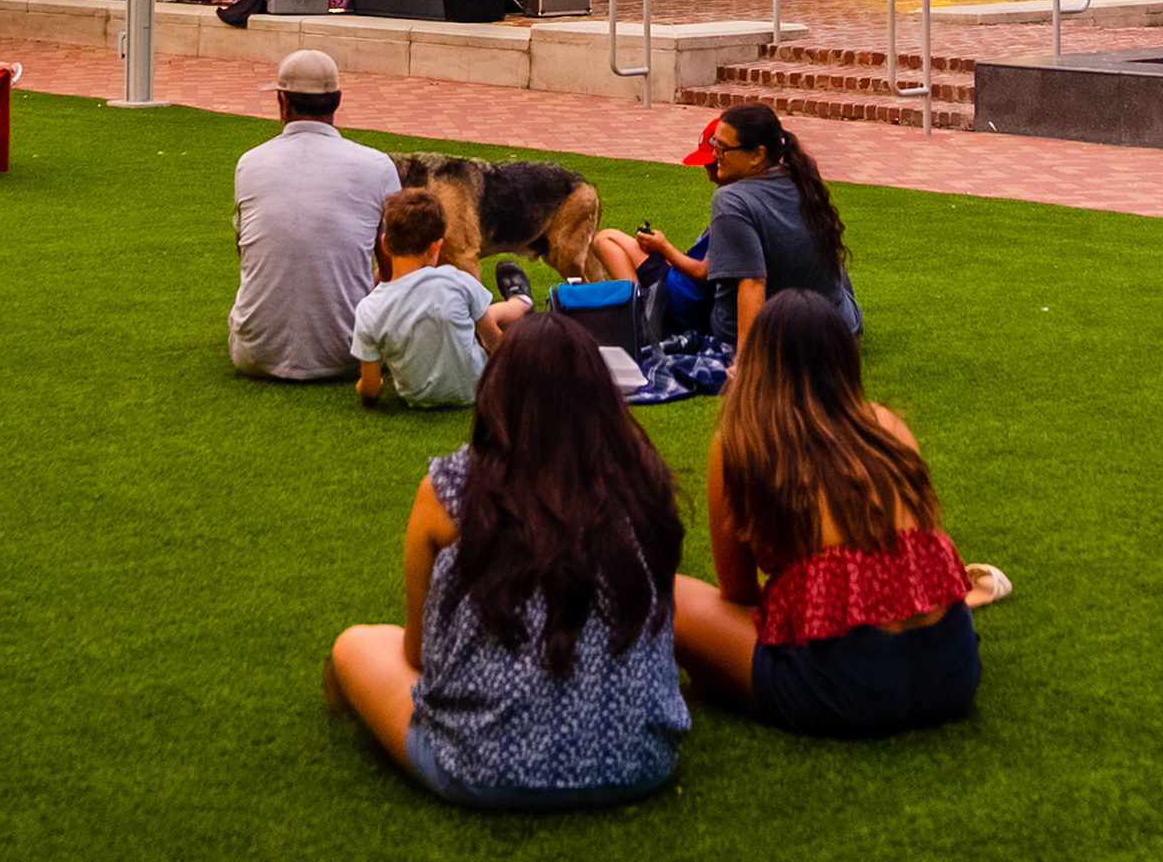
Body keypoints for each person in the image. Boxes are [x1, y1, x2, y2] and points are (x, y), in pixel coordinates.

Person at [322, 314, 689, 810]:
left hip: (485, 768)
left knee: (354, 647)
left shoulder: (451, 491)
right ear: (599, 398)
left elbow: (417, 655)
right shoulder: (644, 486)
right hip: (642, 761)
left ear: (496, 393)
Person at [672, 290, 1001, 739]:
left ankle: (727, 682)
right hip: (954, 672)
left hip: (845, 692)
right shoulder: (887, 425)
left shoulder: (739, 443)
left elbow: (739, 594)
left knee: (665, 595)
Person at [228, 47, 400, 381]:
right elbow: (395, 269)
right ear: (336, 100)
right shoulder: (377, 165)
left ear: (283, 102)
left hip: (253, 354)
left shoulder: (249, 163)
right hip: (353, 355)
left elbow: (243, 249)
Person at [636, 103, 859, 348]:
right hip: (836, 329)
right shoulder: (805, 183)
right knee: (832, 260)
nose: (715, 155)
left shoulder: (731, 199)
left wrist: (745, 359)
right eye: (715, 146)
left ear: (757, 155)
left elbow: (752, 282)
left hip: (767, 334)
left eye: (723, 148)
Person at [353, 188, 530, 410]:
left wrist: (365, 384)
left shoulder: (369, 309)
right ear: (436, 246)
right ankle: (521, 301)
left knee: (466, 314)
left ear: (385, 244)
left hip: (417, 399)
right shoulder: (457, 280)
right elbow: (494, 342)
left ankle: (518, 302)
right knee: (488, 313)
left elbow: (371, 391)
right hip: (476, 388)